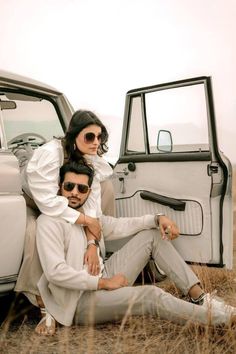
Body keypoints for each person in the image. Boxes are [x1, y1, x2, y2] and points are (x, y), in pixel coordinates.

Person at [35, 161, 236, 335]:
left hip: (105, 275)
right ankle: (223, 320)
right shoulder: (49, 222)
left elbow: (121, 225)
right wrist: (104, 283)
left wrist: (157, 219)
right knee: (150, 296)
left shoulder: (89, 218)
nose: (74, 193)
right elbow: (55, 273)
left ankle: (199, 297)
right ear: (60, 187)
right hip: (78, 301)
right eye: (69, 186)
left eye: (82, 189)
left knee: (151, 235)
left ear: (89, 192)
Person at [15, 110, 114, 306]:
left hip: (63, 200)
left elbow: (92, 200)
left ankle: (85, 272)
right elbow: (48, 202)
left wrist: (92, 242)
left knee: (84, 222)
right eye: (89, 136)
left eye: (99, 137)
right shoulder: (50, 154)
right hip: (32, 200)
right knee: (34, 231)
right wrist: (86, 220)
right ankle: (38, 296)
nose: (95, 142)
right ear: (74, 135)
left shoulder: (89, 157)